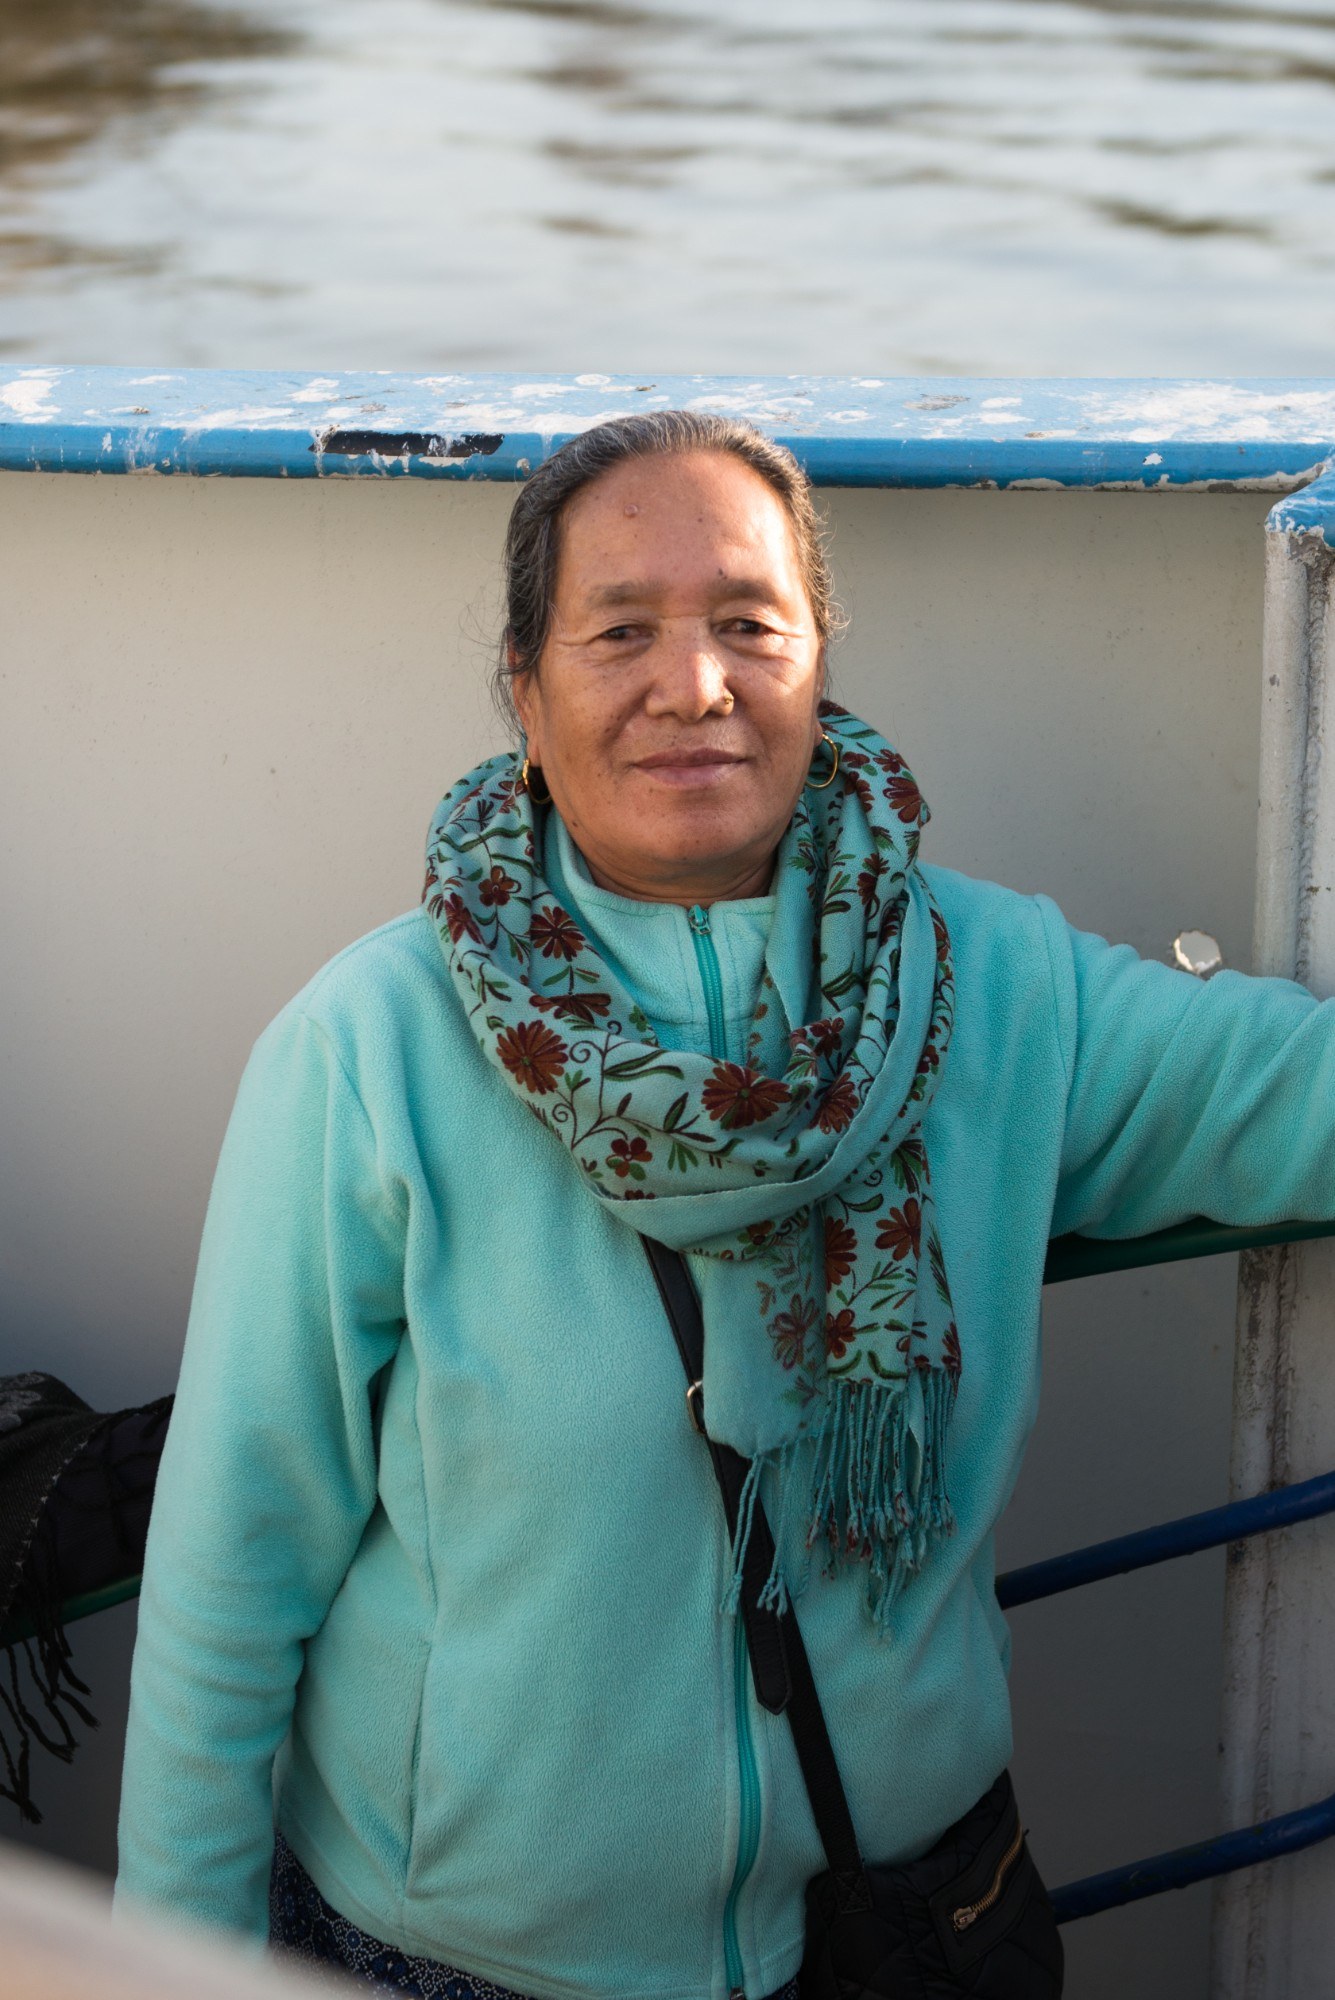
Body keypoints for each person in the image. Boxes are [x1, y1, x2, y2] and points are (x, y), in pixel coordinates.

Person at [116, 411, 1335, 1999]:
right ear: (525, 686)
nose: (692, 686)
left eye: (749, 626)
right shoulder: (372, 1053)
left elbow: (1291, 1099)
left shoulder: (993, 990)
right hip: (471, 1964)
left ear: (820, 658)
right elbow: (230, 1580)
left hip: (910, 1930)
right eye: (620, 630)